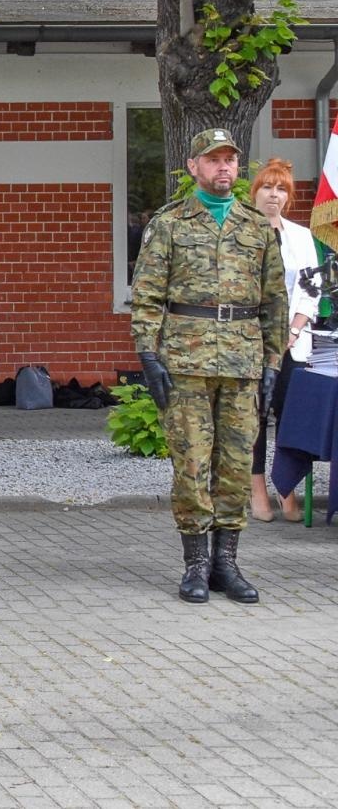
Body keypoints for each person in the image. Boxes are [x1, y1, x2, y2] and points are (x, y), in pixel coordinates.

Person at [130, 128, 287, 605]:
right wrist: (148, 354)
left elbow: (275, 300)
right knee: (192, 464)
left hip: (242, 358)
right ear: (194, 166)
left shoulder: (257, 227)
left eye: (230, 161)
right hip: (186, 360)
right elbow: (148, 294)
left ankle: (226, 563)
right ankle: (195, 564)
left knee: (237, 464)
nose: (223, 167)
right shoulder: (170, 222)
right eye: (213, 160)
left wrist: (273, 360)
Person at [247, 158, 320, 521]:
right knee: (255, 415)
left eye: (281, 189)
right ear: (255, 192)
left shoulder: (301, 236)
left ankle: (286, 485)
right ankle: (256, 487)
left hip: (293, 340)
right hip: (249, 342)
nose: (273, 195)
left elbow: (311, 287)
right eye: (267, 188)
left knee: (290, 414)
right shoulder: (241, 232)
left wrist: (293, 329)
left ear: (288, 197)